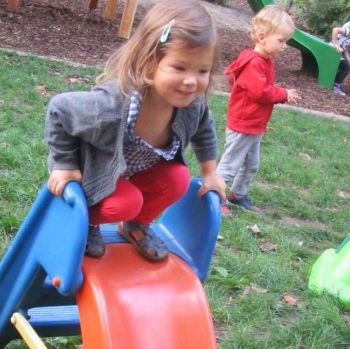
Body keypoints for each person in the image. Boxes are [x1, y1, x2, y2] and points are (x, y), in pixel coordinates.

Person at [45, 1, 225, 262]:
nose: (191, 81)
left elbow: (204, 127)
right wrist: (64, 164)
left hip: (134, 172)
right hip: (95, 175)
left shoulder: (190, 105)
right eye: (179, 67)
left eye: (202, 71)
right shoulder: (112, 105)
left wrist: (210, 173)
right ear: (150, 61)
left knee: (177, 178)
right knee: (126, 202)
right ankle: (87, 223)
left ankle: (135, 225)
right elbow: (59, 109)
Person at [217, 5, 300, 214]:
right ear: (262, 37)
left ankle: (238, 193)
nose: (285, 46)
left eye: (286, 41)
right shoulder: (254, 62)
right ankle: (215, 196)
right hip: (243, 125)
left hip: (254, 125)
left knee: (251, 164)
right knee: (230, 164)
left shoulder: (265, 60)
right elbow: (260, 93)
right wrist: (283, 93)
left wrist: (261, 122)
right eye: (281, 41)